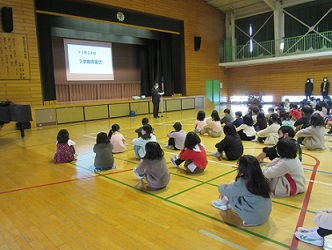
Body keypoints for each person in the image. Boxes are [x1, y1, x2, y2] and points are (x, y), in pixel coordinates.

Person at [211, 155, 272, 226]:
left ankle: (222, 203)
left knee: (231, 191)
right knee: (234, 186)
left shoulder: (244, 182)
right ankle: (224, 203)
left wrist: (221, 187)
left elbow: (227, 190)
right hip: (264, 215)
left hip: (253, 219)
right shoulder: (262, 179)